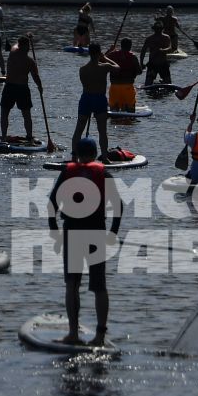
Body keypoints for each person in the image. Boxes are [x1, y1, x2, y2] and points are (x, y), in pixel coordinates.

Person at [47, 137, 122, 346]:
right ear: (96, 153)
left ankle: (73, 334)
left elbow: (52, 204)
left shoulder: (67, 172)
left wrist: (55, 232)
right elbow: (118, 206)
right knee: (99, 286)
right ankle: (99, 336)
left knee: (72, 284)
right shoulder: (104, 173)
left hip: (72, 232)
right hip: (96, 233)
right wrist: (113, 233)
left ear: (77, 154)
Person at [73, 43, 113, 154]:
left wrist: (101, 57)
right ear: (99, 53)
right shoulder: (105, 67)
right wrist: (105, 58)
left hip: (86, 98)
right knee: (102, 131)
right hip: (99, 99)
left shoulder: (82, 69)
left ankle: (74, 157)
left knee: (78, 131)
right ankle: (105, 157)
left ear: (89, 53)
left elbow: (85, 83)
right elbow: (118, 67)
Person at [106, 37, 141, 114]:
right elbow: (139, 71)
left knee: (114, 113)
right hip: (128, 87)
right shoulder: (133, 56)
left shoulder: (112, 55)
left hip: (115, 87)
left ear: (121, 45)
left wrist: (109, 50)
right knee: (130, 113)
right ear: (130, 46)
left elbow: (100, 61)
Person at [142, 20, 174, 86]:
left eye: (159, 29)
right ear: (154, 29)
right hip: (152, 64)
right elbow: (143, 51)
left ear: (162, 29)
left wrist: (163, 50)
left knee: (168, 83)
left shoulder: (166, 37)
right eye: (156, 29)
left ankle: (162, 82)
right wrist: (141, 63)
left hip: (163, 63)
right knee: (148, 84)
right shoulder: (149, 39)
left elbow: (170, 48)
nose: (158, 30)